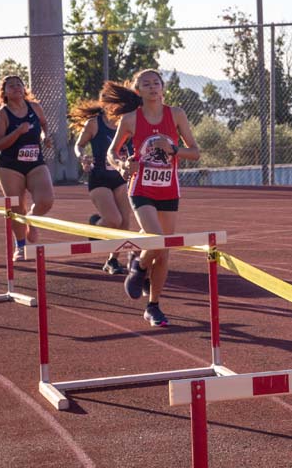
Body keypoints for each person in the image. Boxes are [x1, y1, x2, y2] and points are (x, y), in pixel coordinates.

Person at [102, 69, 201, 328]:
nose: (152, 87)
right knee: (157, 240)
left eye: (156, 83)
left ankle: (153, 306)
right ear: (139, 90)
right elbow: (112, 153)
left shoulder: (176, 114)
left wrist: (174, 149)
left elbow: (195, 153)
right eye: (146, 84)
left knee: (164, 251)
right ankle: (139, 266)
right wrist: (123, 165)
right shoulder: (131, 119)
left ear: (163, 87)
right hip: (141, 189)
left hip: (169, 190)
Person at [0, 75, 54, 260]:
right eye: (11, 86)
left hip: (35, 162)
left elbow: (43, 124)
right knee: (16, 206)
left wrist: (45, 137)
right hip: (10, 166)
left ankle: (32, 220)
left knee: (46, 200)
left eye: (19, 84)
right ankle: (20, 246)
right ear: (5, 92)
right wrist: (18, 131)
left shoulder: (34, 107)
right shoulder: (2, 114)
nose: (16, 87)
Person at [71, 97, 134, 275]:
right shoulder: (94, 124)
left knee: (125, 222)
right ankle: (95, 225)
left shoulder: (128, 124)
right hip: (99, 178)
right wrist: (82, 157)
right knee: (114, 220)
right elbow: (79, 145)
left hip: (121, 177)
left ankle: (112, 260)